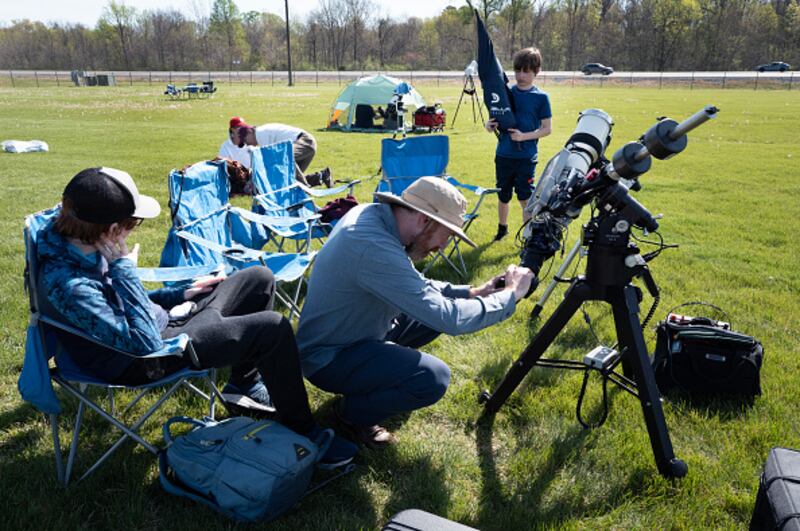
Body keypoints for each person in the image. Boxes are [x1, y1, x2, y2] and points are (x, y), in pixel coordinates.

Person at [37, 167, 357, 468]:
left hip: (163, 326)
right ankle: (304, 431)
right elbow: (144, 344)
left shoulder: (82, 246)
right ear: (110, 230)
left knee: (258, 277)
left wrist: (180, 295)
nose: (133, 229)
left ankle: (242, 385)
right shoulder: (69, 285)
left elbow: (126, 305)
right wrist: (125, 269)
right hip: (146, 358)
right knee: (271, 329)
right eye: (131, 223)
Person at [296, 177, 534, 448]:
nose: (443, 246)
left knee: (430, 314)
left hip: (354, 330)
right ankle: (352, 415)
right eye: (448, 234)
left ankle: (372, 384)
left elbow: (414, 284)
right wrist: (510, 296)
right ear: (424, 221)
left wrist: (473, 292)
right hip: (329, 357)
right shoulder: (372, 245)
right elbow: (450, 318)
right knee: (432, 377)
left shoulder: (375, 220)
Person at [485, 47, 552, 242]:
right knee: (503, 195)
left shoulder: (541, 98)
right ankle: (502, 228)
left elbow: (547, 129)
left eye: (526, 71)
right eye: (517, 71)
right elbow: (493, 120)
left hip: (526, 158)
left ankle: (528, 235)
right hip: (504, 155)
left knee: (525, 199)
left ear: (536, 71)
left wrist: (524, 137)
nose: (521, 75)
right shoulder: (506, 93)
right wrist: (488, 125)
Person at [223, 117, 333, 188]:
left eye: (246, 141)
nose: (248, 144)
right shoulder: (261, 134)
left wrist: (252, 182)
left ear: (249, 132)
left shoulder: (261, 135)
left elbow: (270, 162)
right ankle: (322, 176)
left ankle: (305, 190)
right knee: (287, 180)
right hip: (306, 144)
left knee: (284, 159)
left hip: (304, 141)